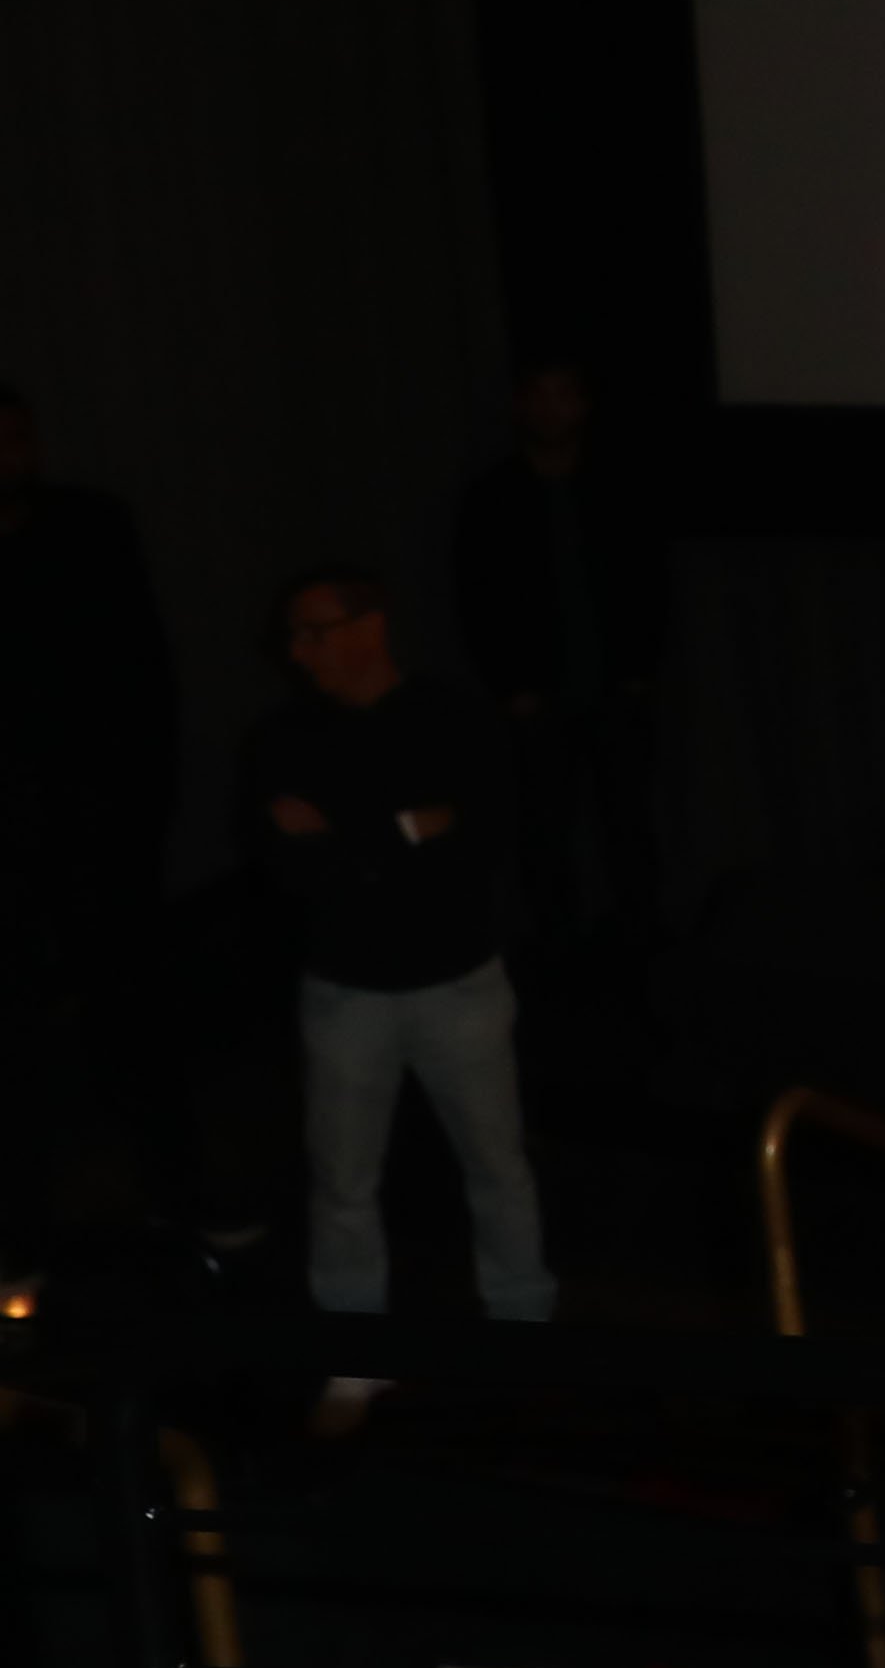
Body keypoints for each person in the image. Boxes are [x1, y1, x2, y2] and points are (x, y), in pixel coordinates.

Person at [245, 569, 556, 1372]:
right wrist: (411, 829)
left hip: (456, 978)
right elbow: (285, 868)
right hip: (346, 989)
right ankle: (355, 1347)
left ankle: (526, 1323)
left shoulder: (454, 719)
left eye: (316, 630)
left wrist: (350, 837)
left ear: (370, 627)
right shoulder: (285, 737)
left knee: (496, 1164)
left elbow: (484, 839)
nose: (300, 651)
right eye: (294, 635)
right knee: (343, 1180)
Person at [0, 386, 176, 1284]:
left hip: (98, 812)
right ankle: (26, 1229)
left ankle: (165, 1196)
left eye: (19, 438)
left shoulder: (88, 527)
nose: (11, 454)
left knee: (128, 1001)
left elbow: (139, 666)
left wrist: (139, 794)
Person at [449, 359, 670, 957]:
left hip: (617, 688)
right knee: (545, 832)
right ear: (521, 406)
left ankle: (642, 943)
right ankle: (561, 950)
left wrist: (639, 672)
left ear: (584, 404)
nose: (552, 409)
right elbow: (479, 598)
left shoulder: (622, 486)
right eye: (539, 396)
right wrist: (511, 686)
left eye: (564, 395)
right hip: (537, 698)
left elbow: (652, 585)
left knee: (629, 827)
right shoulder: (493, 498)